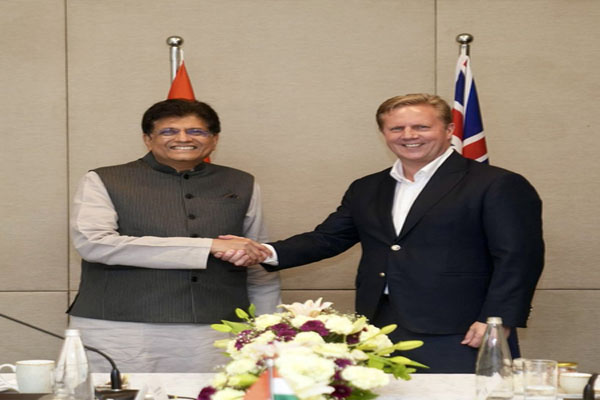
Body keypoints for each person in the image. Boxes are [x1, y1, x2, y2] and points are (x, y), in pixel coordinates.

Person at [217, 93, 544, 373]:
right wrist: (263, 251)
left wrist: (496, 319)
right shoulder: (367, 187)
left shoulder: (496, 184)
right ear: (384, 134)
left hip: (462, 329)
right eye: (396, 128)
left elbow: (519, 257)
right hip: (380, 325)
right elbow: (328, 238)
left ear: (448, 130)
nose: (408, 135)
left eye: (421, 127)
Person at [68, 99, 280, 372]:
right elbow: (94, 243)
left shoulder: (242, 182)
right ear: (147, 139)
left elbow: (257, 257)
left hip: (217, 328)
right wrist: (207, 246)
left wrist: (269, 324)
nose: (183, 138)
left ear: (214, 139)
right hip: (120, 328)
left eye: (196, 131)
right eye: (168, 131)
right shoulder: (103, 179)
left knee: (216, 390)